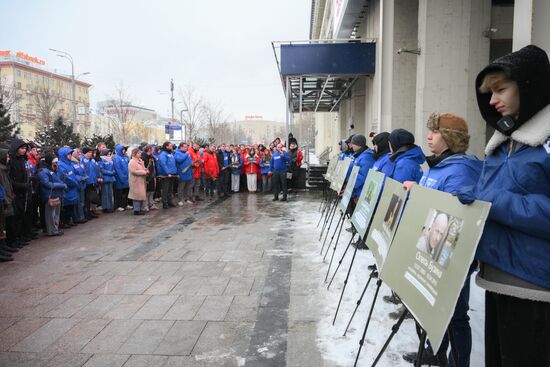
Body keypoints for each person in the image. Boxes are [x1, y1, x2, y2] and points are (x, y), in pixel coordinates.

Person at [457, 45, 550, 367]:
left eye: (500, 90)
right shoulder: (503, 142)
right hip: (498, 276)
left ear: (529, 86)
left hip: (535, 286)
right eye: (489, 93)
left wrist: (493, 200)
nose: (492, 101)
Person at [7, 139, 32, 245]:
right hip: (15, 192)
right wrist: (22, 185)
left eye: (25, 148)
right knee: (14, 217)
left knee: (21, 215)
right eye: (22, 148)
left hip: (23, 192)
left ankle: (19, 236)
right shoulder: (12, 160)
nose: (24, 150)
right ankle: (13, 239)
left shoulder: (22, 159)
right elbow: (9, 179)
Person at [38, 153, 66, 236]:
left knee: (56, 214)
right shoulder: (43, 171)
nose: (56, 164)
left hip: (56, 194)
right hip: (50, 195)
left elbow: (56, 179)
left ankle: (55, 229)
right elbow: (47, 184)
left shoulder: (51, 170)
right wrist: (61, 185)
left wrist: (56, 171)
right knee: (50, 215)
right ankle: (51, 231)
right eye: (54, 162)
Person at [57, 147, 80, 228]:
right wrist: (74, 183)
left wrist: (76, 180)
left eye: (70, 154)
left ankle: (69, 220)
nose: (70, 156)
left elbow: (74, 174)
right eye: (68, 154)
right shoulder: (60, 164)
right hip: (67, 189)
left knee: (71, 206)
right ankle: (64, 222)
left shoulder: (69, 163)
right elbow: (65, 177)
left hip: (72, 188)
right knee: (65, 207)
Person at [128, 148, 148, 215]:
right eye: (138, 153)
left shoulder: (140, 160)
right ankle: (136, 210)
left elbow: (142, 168)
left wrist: (145, 170)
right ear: (135, 154)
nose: (140, 154)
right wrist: (143, 172)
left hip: (141, 181)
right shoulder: (132, 162)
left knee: (141, 196)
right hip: (136, 181)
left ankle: (140, 209)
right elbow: (133, 171)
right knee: (136, 196)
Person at [157, 141, 177, 209]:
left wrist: (175, 172)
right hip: (166, 175)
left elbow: (172, 163)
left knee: (170, 189)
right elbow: (163, 164)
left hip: (172, 174)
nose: (171, 147)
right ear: (166, 146)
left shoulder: (171, 154)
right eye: (170, 146)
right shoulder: (163, 154)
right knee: (165, 189)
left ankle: (170, 201)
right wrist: (167, 172)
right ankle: (164, 203)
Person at [113, 144, 130, 211]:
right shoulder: (116, 158)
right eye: (122, 150)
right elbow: (118, 169)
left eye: (124, 150)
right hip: (120, 179)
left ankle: (125, 204)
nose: (124, 151)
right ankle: (118, 205)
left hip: (126, 178)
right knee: (119, 193)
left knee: (126, 193)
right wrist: (122, 178)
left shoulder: (124, 157)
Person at [141, 145, 159, 210]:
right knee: (147, 191)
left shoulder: (152, 157)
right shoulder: (143, 157)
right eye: (152, 149)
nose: (153, 150)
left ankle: (151, 204)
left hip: (153, 176)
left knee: (152, 191)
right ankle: (145, 205)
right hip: (147, 177)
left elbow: (154, 166)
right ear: (149, 150)